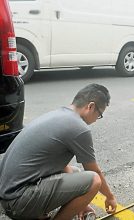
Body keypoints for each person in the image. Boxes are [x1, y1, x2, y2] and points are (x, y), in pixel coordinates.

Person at [0, 84, 117, 220]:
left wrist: (81, 203)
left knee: (76, 173)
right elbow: (95, 171)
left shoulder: (59, 115)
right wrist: (110, 197)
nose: (97, 119)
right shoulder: (79, 128)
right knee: (94, 180)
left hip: (7, 195)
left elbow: (61, 166)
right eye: (100, 115)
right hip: (17, 202)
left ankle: (36, 212)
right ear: (90, 106)